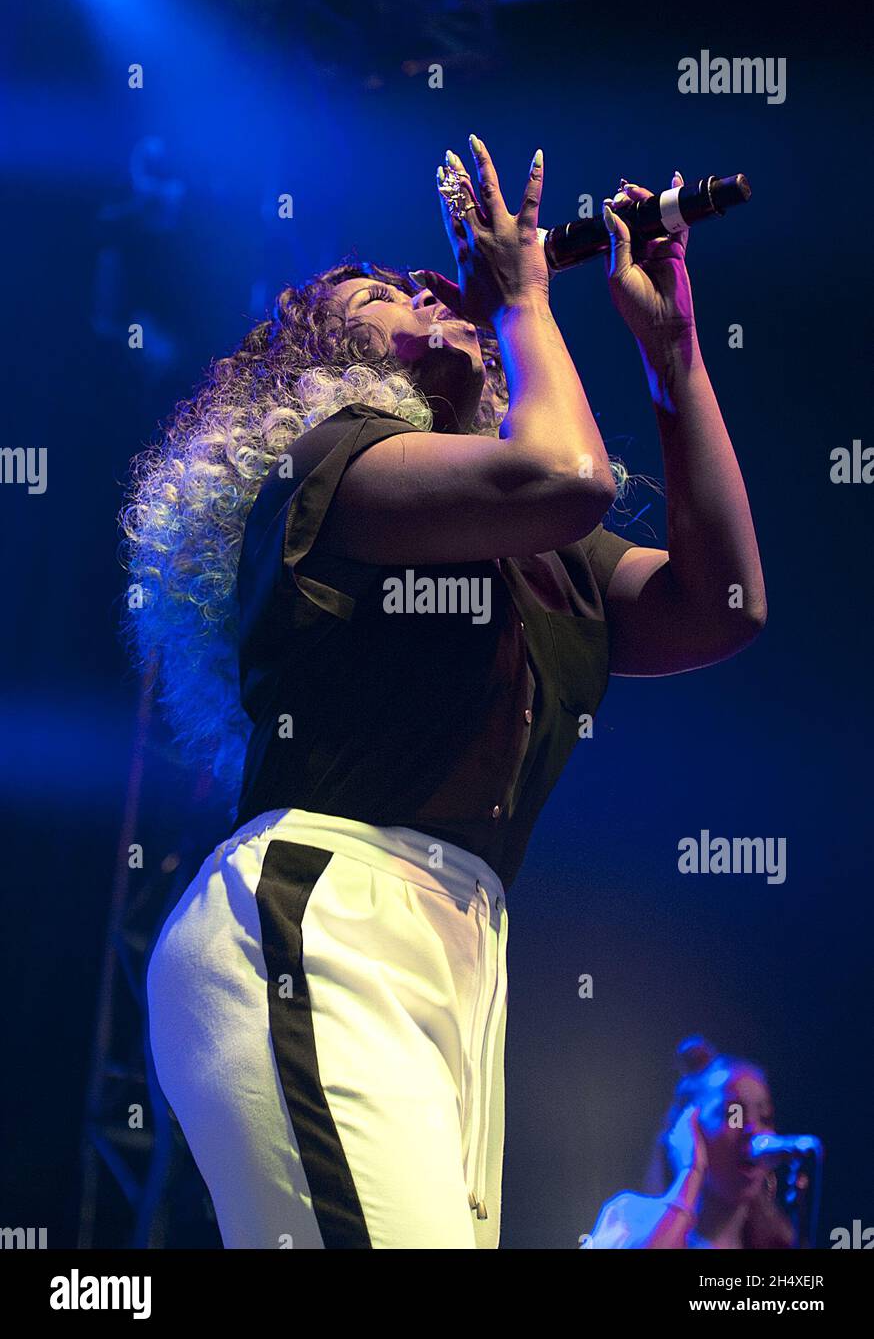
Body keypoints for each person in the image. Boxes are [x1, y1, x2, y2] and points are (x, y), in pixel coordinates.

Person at [122, 135, 767, 1249]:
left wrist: (675, 363)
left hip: (464, 944)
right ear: (320, 369)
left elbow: (725, 605)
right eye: (384, 292)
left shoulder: (539, 550)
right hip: (321, 911)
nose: (432, 284)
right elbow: (566, 477)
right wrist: (522, 300)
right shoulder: (331, 464)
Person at [584, 1037, 796, 1248]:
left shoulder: (779, 1242)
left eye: (765, 1117)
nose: (754, 1130)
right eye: (734, 1114)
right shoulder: (629, 1216)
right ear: (689, 1127)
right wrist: (691, 1170)